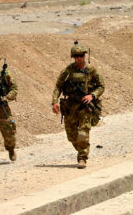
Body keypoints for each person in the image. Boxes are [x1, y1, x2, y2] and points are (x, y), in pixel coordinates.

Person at [52, 41, 105, 169]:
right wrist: (54, 101)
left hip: (85, 107)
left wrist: (92, 96)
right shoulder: (68, 71)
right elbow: (58, 86)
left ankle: (82, 157)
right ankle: (83, 148)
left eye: (80, 55)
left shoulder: (91, 71)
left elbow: (101, 86)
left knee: (83, 133)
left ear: (84, 56)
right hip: (70, 107)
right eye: (76, 56)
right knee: (71, 136)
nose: (78, 58)